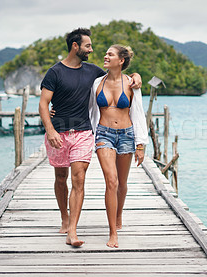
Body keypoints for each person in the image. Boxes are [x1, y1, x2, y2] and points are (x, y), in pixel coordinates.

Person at [39, 28, 142, 247]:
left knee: (87, 179)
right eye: (88, 46)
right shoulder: (60, 73)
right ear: (76, 46)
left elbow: (129, 93)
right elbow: (44, 103)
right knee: (62, 178)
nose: (93, 51)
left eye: (107, 53)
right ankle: (66, 219)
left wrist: (136, 76)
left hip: (96, 133)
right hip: (74, 132)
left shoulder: (94, 72)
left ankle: (77, 231)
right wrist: (50, 125)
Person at [89, 45, 149, 248]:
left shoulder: (132, 83)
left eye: (110, 54)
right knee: (111, 182)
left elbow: (139, 113)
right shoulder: (97, 82)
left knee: (122, 183)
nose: (105, 56)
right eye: (106, 53)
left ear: (121, 60)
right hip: (104, 134)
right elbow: (88, 108)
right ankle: (113, 232)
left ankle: (119, 214)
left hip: (127, 135)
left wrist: (140, 144)